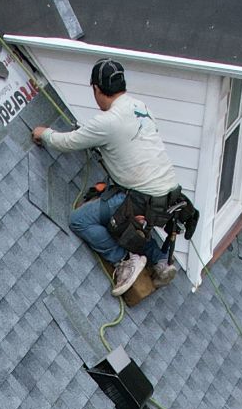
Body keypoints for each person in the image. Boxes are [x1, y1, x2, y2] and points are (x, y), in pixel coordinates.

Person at [29, 59, 182, 296]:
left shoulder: (107, 122)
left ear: (96, 89)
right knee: (130, 214)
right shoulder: (141, 106)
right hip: (169, 198)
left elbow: (68, 142)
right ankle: (161, 261)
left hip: (140, 200)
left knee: (81, 220)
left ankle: (125, 261)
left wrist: (45, 134)